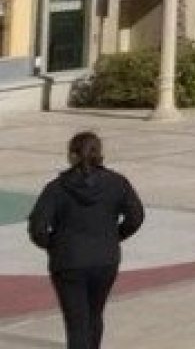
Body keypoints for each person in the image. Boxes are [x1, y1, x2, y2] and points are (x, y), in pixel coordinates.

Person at [27, 131, 144, 349]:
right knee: (95, 314)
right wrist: (115, 236)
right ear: (100, 154)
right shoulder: (117, 183)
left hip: (69, 262)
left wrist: (54, 244)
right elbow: (136, 216)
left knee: (77, 322)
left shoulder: (56, 188)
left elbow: (37, 228)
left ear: (72, 156)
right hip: (105, 259)